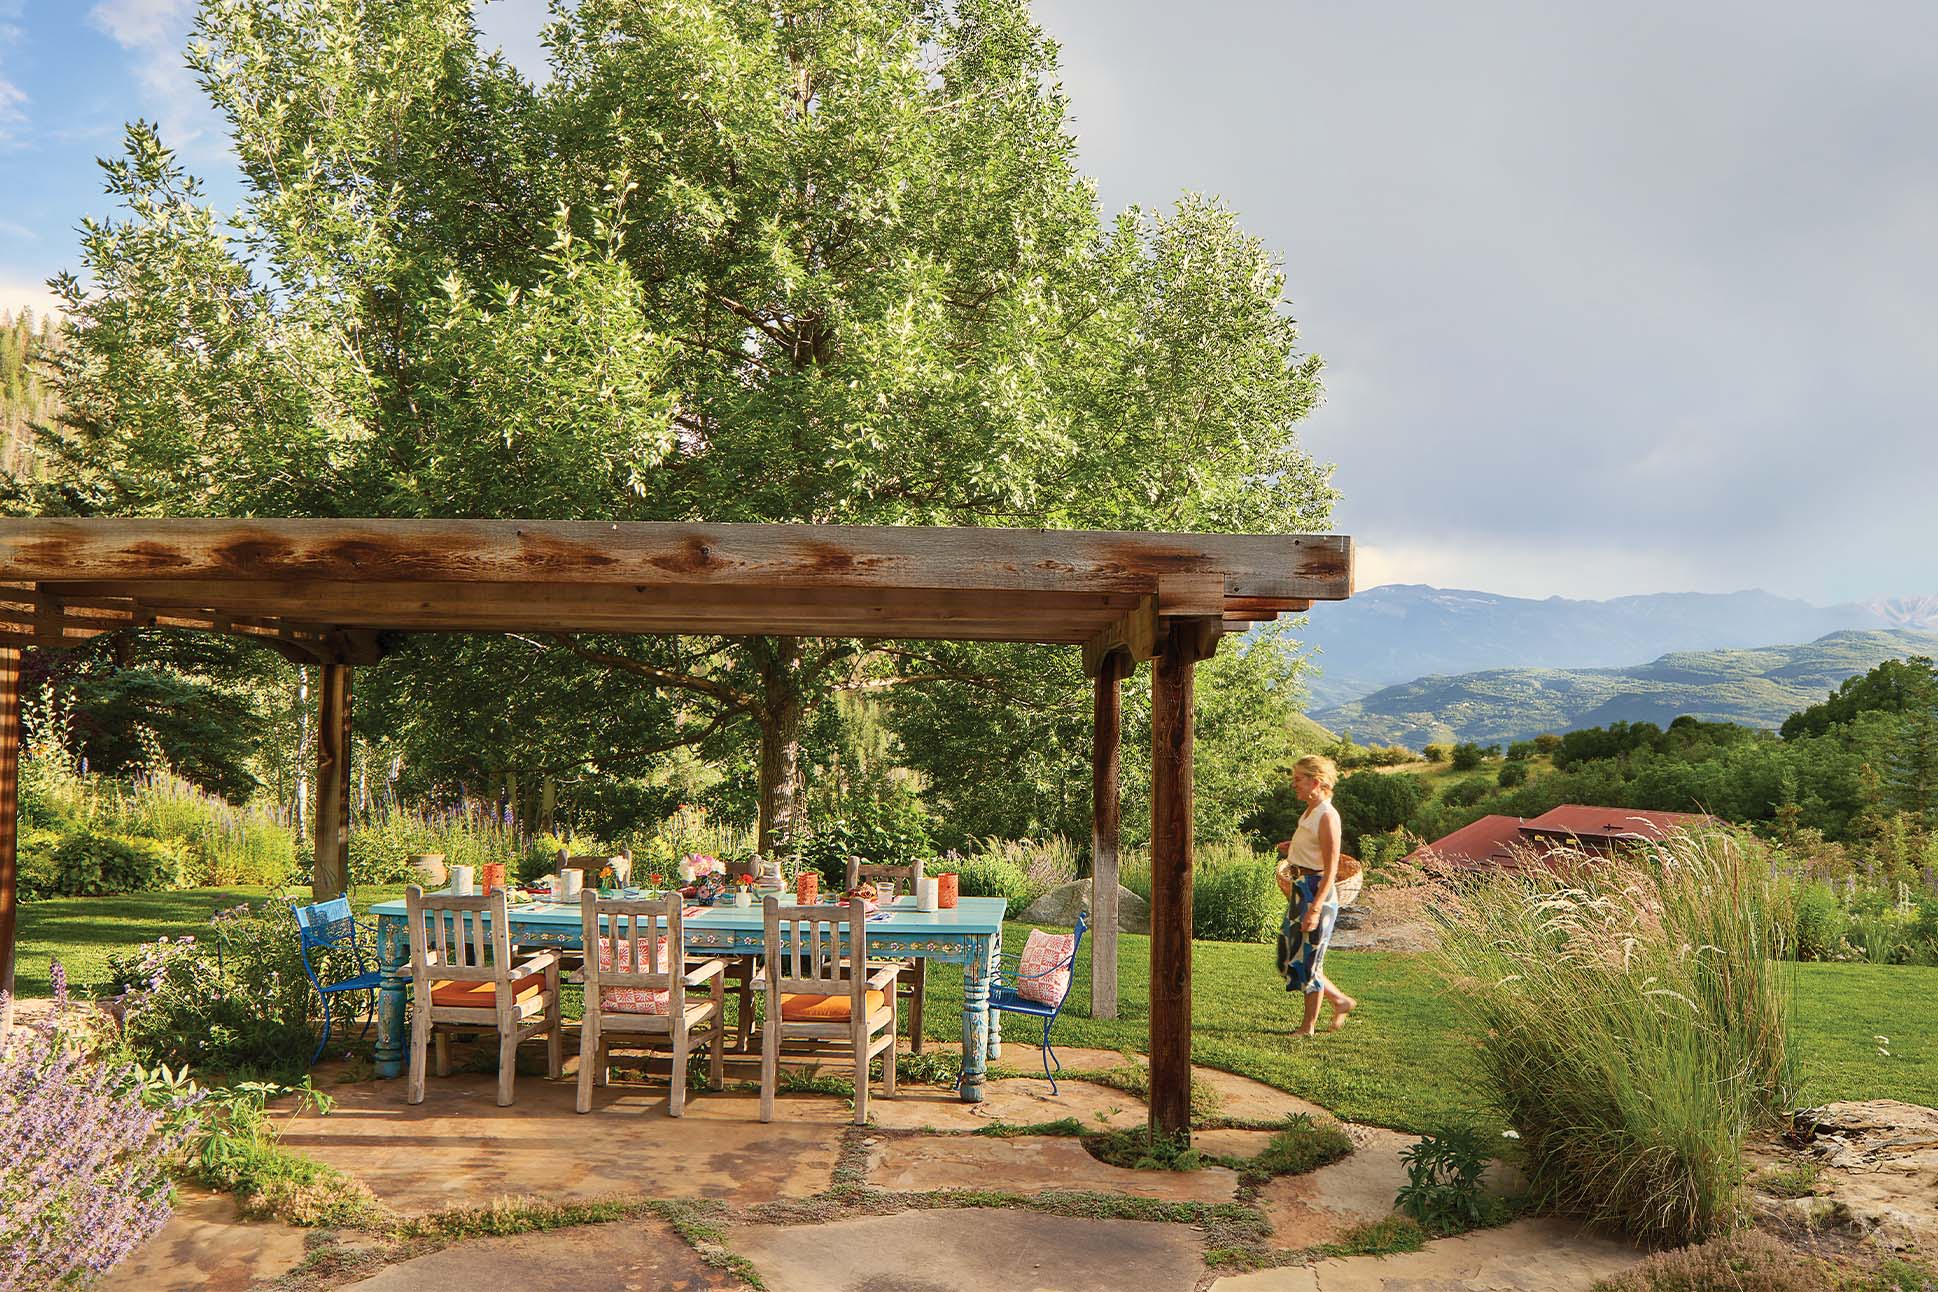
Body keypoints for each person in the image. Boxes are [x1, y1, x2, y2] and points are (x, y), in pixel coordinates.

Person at [1274, 754, 1358, 1035]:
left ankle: (1307, 1027)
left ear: (1316, 781)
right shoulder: (1311, 810)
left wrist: (1314, 909)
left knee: (1310, 960)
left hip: (1316, 892)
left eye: (1298, 779)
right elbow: (1314, 849)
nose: (1293, 784)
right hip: (1301, 888)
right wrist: (1293, 847)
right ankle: (1340, 1000)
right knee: (1288, 956)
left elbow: (1331, 867)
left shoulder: (1327, 815)